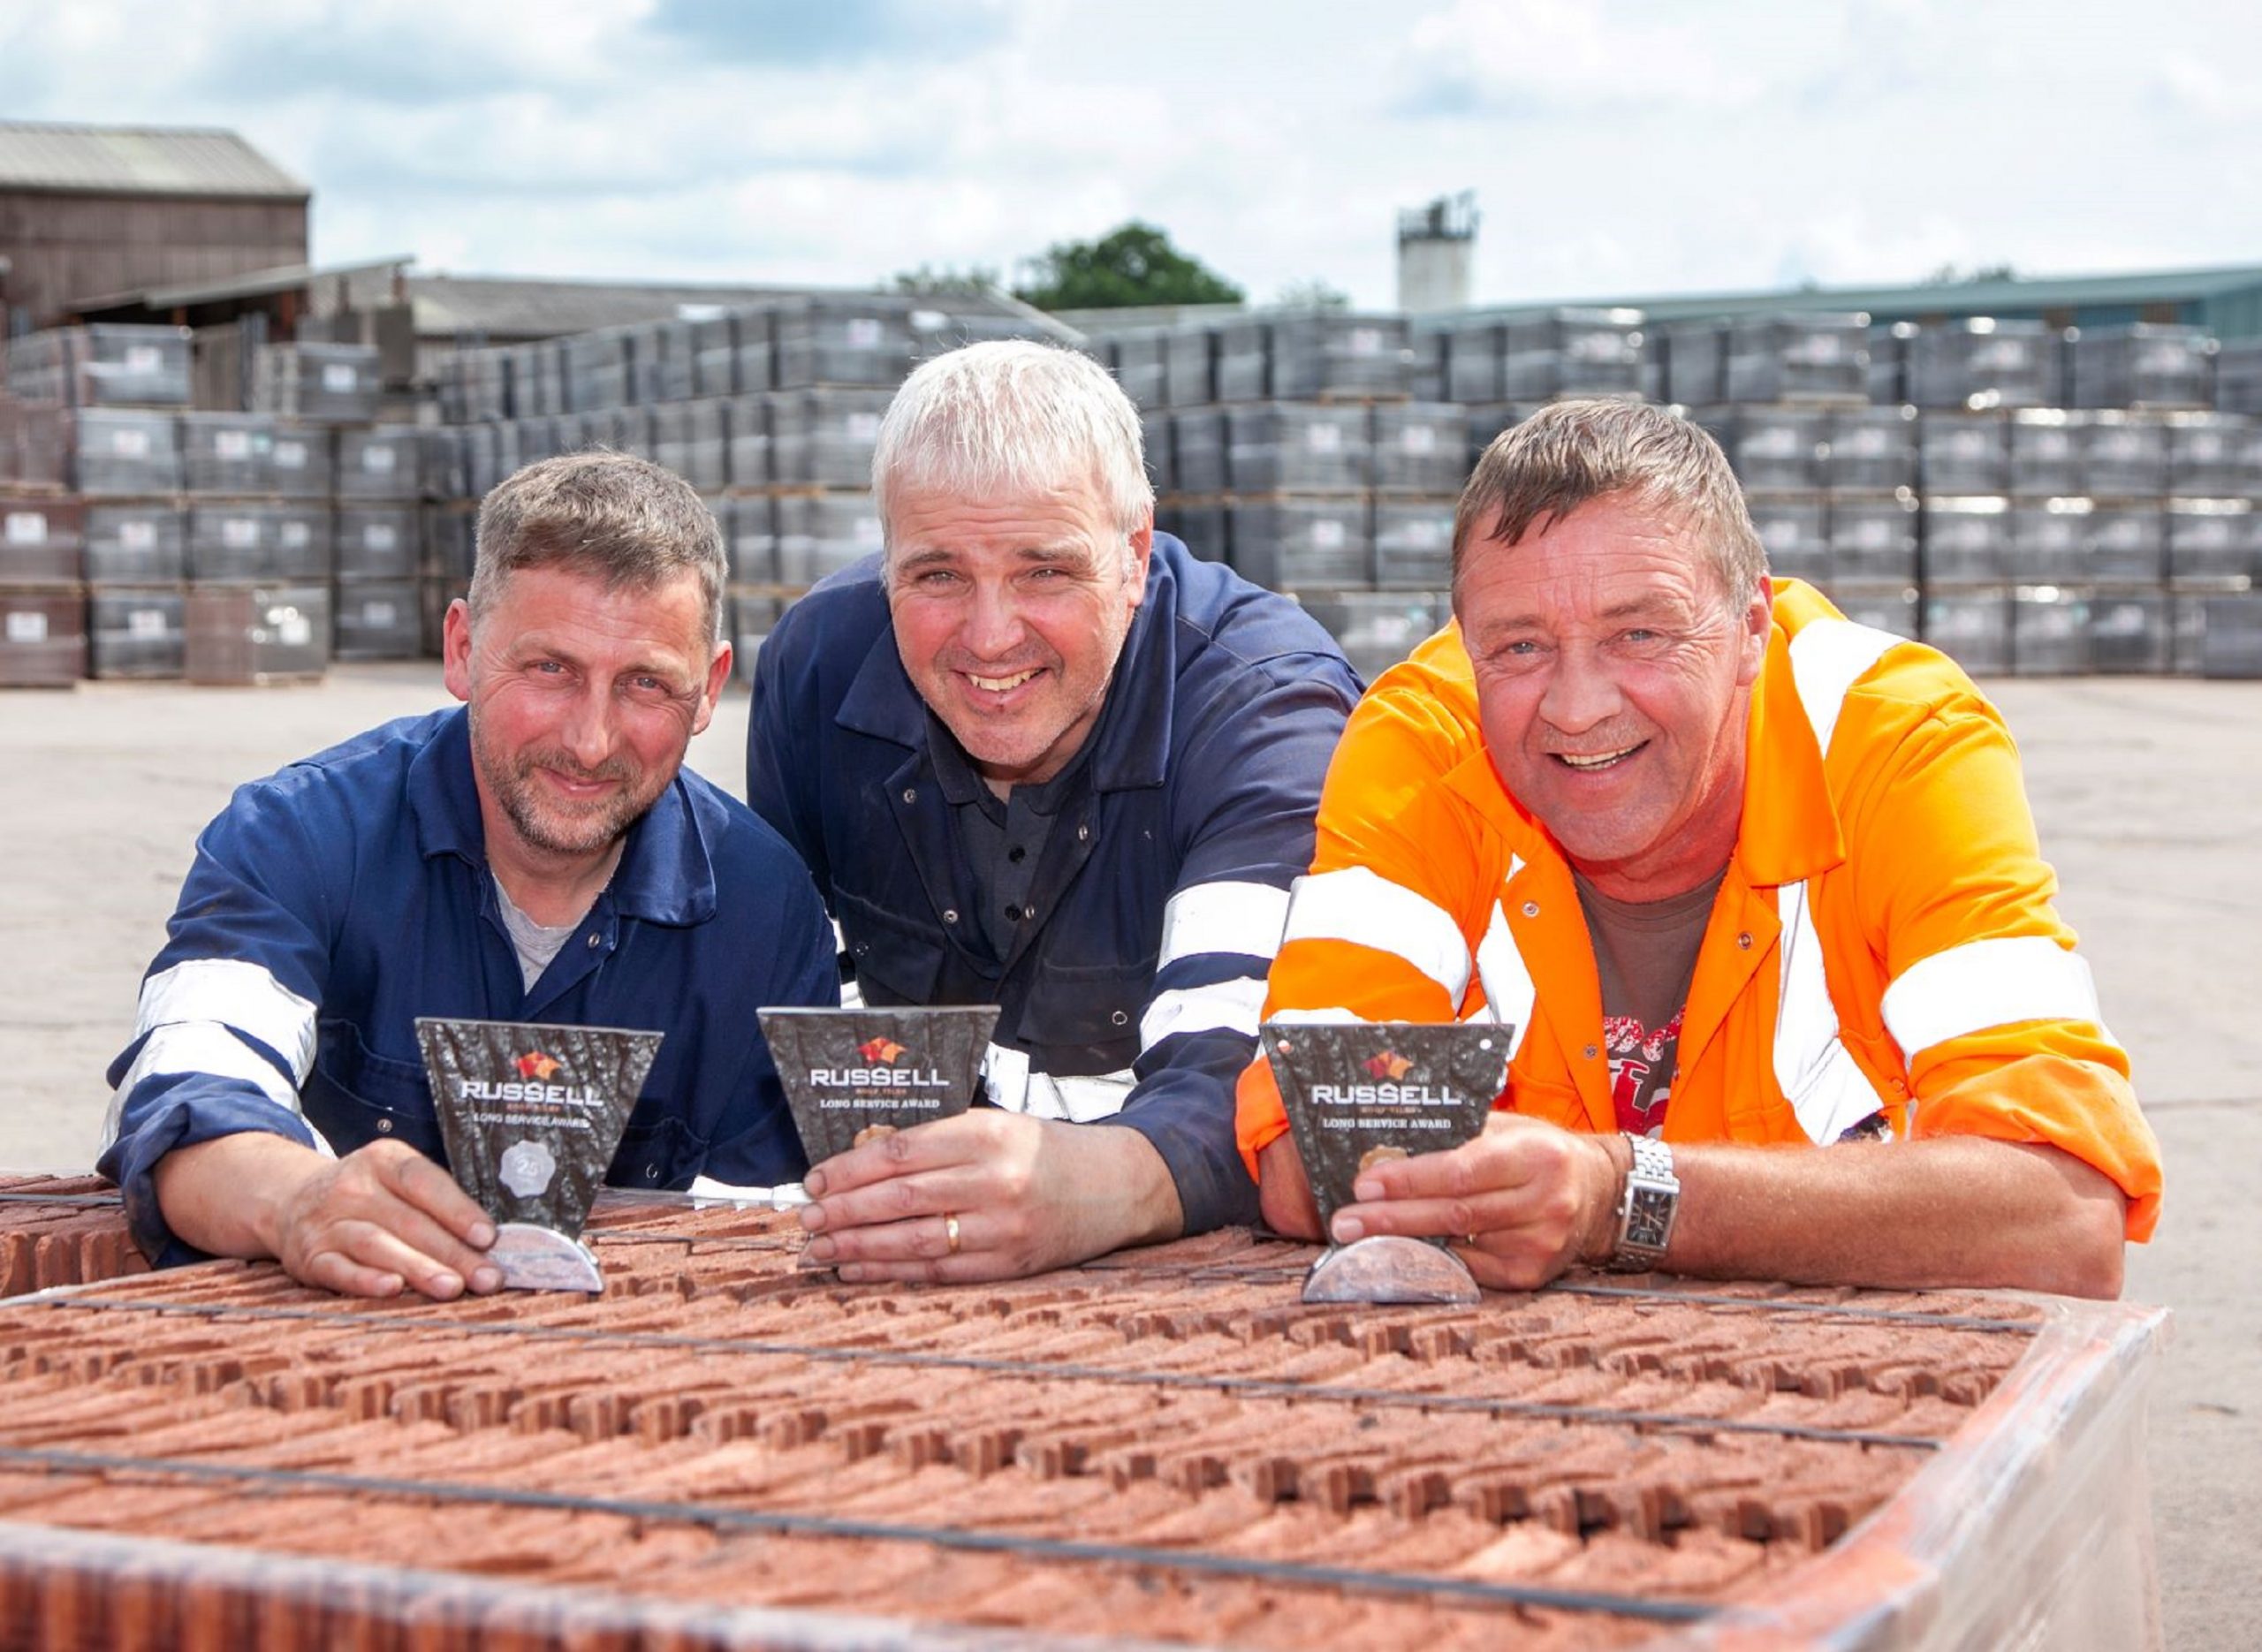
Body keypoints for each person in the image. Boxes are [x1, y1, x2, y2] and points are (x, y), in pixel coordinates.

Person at [1236, 399, 2160, 1298]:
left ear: (1751, 627)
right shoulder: (1424, 742)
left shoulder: (1893, 741)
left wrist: (1620, 1194)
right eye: (1518, 648)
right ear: (1467, 645)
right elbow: (1301, 1155)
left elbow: (2063, 1213)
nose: (1576, 706)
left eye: (1639, 633)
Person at [101, 451, 838, 1299]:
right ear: (462, 648)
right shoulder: (296, 837)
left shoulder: (767, 908)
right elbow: (184, 1084)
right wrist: (299, 1197)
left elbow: (775, 1236)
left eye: (644, 684)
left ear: (708, 691)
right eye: (549, 669)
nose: (591, 741)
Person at [747, 340, 1363, 1282]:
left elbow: (1249, 1067)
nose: (990, 636)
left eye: (1044, 570)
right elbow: (801, 1009)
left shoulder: (1260, 711)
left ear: (1134, 553)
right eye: (938, 574)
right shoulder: (818, 675)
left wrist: (1091, 1184)